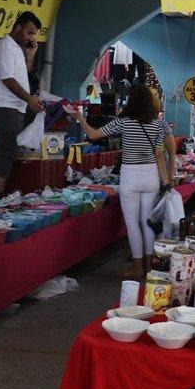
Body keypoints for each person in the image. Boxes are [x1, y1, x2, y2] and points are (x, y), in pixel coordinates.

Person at [71, 85, 172, 278]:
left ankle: (137, 267)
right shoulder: (157, 124)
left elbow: (93, 135)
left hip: (130, 176)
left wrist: (79, 117)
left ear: (131, 101)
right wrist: (166, 181)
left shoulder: (123, 122)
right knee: (147, 222)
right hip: (151, 176)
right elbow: (159, 155)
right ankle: (150, 267)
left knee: (132, 223)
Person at [0, 12, 44, 196]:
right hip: (5, 107)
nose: (31, 37)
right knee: (7, 152)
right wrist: (29, 99)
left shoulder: (16, 48)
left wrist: (30, 55)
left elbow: (23, 73)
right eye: (29, 32)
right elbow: (7, 79)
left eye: (33, 34)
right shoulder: (5, 47)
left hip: (12, 107)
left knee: (2, 151)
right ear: (17, 27)